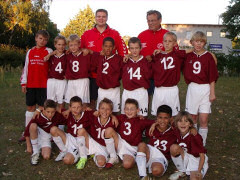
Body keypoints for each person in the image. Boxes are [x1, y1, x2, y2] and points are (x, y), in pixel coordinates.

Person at [81, 9, 128, 108]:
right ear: (95, 17)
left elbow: (123, 53)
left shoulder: (114, 33)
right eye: (98, 16)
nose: (101, 19)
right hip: (92, 74)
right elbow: (79, 49)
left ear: (107, 18)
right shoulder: (87, 34)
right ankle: (93, 122)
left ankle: (108, 122)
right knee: (92, 101)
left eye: (103, 16)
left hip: (109, 75)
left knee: (108, 102)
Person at [183, 31, 218, 146]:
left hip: (205, 89)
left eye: (201, 42)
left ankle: (201, 143)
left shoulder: (208, 56)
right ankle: (194, 140)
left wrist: (212, 92)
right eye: (196, 41)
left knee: (203, 118)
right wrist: (188, 50)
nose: (198, 44)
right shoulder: (189, 55)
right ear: (192, 42)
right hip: (193, 88)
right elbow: (176, 54)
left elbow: (212, 76)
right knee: (193, 117)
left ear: (204, 43)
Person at [20, 30, 53, 141]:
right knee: (30, 107)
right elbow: (26, 67)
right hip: (31, 84)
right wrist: (24, 82)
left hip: (43, 85)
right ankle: (27, 131)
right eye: (40, 38)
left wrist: (51, 55)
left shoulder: (49, 51)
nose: (42, 41)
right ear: (36, 38)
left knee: (42, 108)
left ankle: (40, 130)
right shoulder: (30, 51)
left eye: (45, 39)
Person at [104, 98, 154, 169]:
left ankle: (130, 157)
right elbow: (107, 115)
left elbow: (155, 121)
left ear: (137, 110)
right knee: (108, 130)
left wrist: (154, 124)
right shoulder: (121, 117)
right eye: (127, 109)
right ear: (124, 110)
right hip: (120, 143)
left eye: (132, 109)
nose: (129, 111)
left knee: (127, 165)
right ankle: (113, 156)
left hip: (132, 148)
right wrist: (113, 116)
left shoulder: (141, 120)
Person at [151, 32, 186, 117]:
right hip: (159, 89)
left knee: (173, 115)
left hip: (171, 89)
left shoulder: (177, 55)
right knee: (158, 114)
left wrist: (209, 53)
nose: (167, 43)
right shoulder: (157, 55)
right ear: (162, 42)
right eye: (165, 41)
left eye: (170, 41)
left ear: (174, 43)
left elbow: (192, 50)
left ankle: (172, 130)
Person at [135, 105, 175, 179]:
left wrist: (192, 129)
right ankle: (143, 176)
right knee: (141, 145)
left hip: (161, 157)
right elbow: (139, 123)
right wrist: (154, 123)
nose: (162, 121)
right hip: (150, 151)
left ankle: (145, 164)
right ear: (156, 117)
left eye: (166, 118)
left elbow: (184, 128)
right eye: (160, 118)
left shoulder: (173, 131)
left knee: (156, 171)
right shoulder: (152, 128)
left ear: (170, 119)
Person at [50, 96, 93, 164]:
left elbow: (101, 113)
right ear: (69, 107)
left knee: (67, 160)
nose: (76, 109)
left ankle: (82, 155)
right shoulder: (68, 114)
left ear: (82, 107)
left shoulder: (88, 114)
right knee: (53, 130)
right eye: (73, 107)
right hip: (71, 140)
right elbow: (55, 106)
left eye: (78, 107)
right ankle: (64, 151)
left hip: (83, 141)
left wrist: (113, 116)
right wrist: (38, 110)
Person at [75, 98, 117, 169]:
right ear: (98, 109)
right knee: (80, 131)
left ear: (111, 111)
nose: (105, 111)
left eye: (107, 109)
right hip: (92, 142)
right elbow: (79, 109)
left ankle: (94, 154)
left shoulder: (113, 121)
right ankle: (83, 157)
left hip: (104, 148)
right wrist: (88, 109)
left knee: (101, 163)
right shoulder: (93, 116)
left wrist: (113, 116)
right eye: (102, 108)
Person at [138, 10, 169, 98]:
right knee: (144, 99)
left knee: (160, 101)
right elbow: (135, 53)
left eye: (153, 20)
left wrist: (160, 54)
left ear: (160, 20)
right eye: (149, 21)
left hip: (162, 75)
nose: (150, 23)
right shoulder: (141, 35)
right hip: (145, 75)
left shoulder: (167, 34)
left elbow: (174, 54)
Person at [24, 99, 66, 165]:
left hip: (46, 137)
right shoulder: (37, 115)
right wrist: (28, 145)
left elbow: (67, 117)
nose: (50, 114)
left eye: (53, 112)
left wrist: (60, 110)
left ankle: (43, 146)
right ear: (43, 109)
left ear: (55, 110)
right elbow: (27, 130)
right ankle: (36, 151)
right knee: (33, 125)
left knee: (46, 156)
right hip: (37, 134)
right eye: (48, 111)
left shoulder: (57, 115)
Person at [169, 111, 208, 180]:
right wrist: (155, 124)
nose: (183, 123)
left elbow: (202, 155)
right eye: (180, 121)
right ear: (176, 123)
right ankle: (182, 170)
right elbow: (166, 121)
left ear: (190, 124)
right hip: (185, 156)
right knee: (174, 148)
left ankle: (196, 171)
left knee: (194, 178)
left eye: (186, 121)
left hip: (196, 160)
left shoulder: (195, 136)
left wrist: (199, 170)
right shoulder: (176, 131)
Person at [121, 37, 152, 117]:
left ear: (140, 48)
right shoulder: (125, 61)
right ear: (129, 49)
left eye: (136, 48)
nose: (134, 50)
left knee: (141, 116)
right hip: (128, 91)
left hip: (140, 91)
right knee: (126, 116)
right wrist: (128, 55)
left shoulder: (146, 61)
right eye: (132, 48)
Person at [92, 37, 123, 113]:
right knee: (101, 111)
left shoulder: (118, 59)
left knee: (114, 111)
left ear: (114, 47)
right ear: (102, 47)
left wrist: (114, 80)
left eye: (110, 46)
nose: (108, 48)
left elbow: (121, 73)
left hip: (113, 90)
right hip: (102, 89)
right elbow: (94, 68)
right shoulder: (99, 57)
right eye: (106, 46)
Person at [64, 34, 92, 105]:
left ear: (79, 44)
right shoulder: (68, 55)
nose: (73, 47)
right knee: (71, 103)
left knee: (82, 103)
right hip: (72, 81)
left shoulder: (85, 54)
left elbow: (96, 55)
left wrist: (87, 50)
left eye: (75, 45)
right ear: (68, 46)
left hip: (82, 80)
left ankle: (83, 116)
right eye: (71, 45)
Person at [47, 35, 67, 113]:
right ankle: (52, 118)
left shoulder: (67, 54)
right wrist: (50, 55)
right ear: (55, 45)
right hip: (51, 80)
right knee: (51, 101)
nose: (61, 46)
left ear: (65, 45)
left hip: (62, 80)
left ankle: (61, 122)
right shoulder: (51, 55)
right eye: (59, 44)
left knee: (61, 102)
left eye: (63, 44)